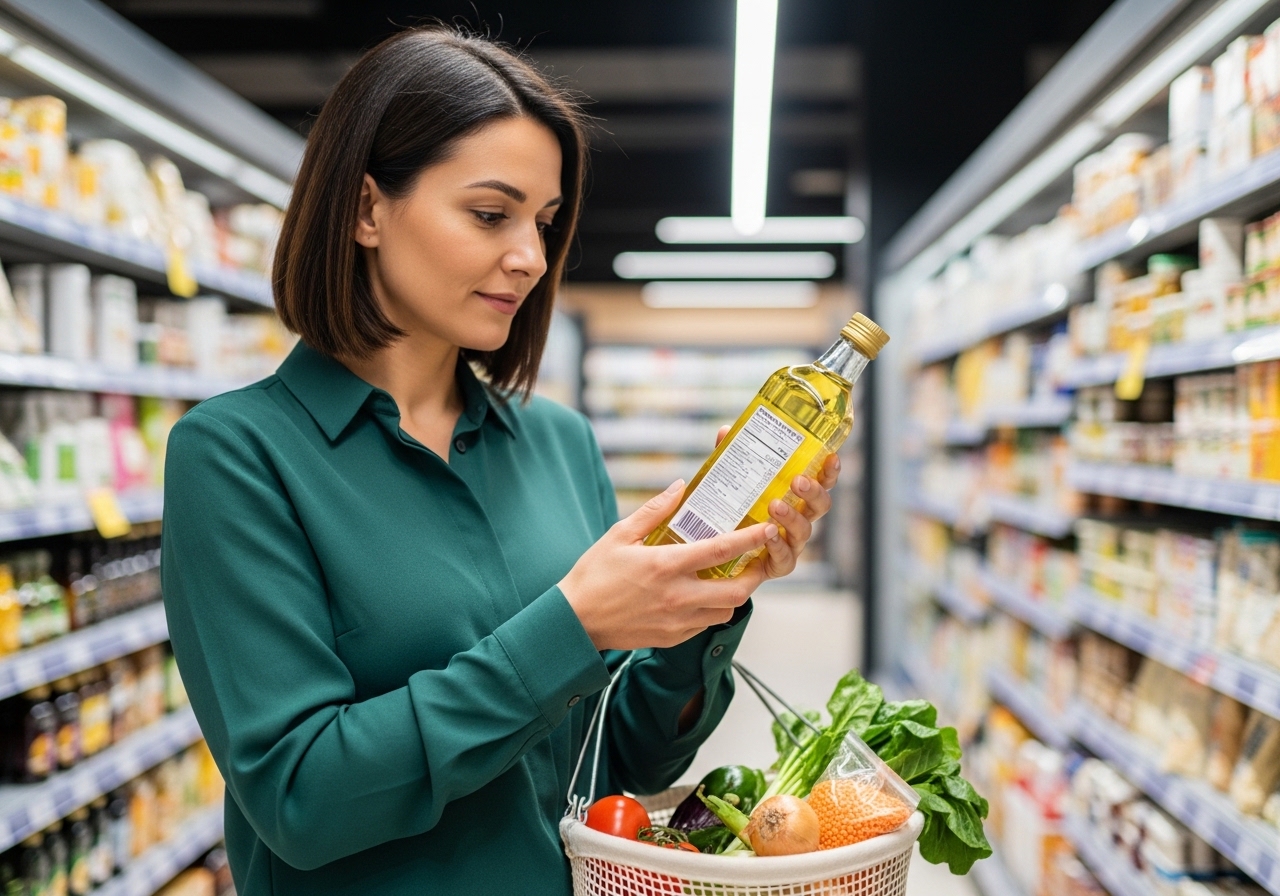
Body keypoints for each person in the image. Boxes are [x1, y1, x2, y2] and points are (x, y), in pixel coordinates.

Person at [160, 25, 841, 896]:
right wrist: (576, 624)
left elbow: (617, 760)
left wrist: (705, 595)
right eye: (490, 214)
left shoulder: (558, 444)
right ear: (368, 209)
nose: (531, 257)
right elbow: (301, 798)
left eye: (546, 222)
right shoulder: (238, 456)